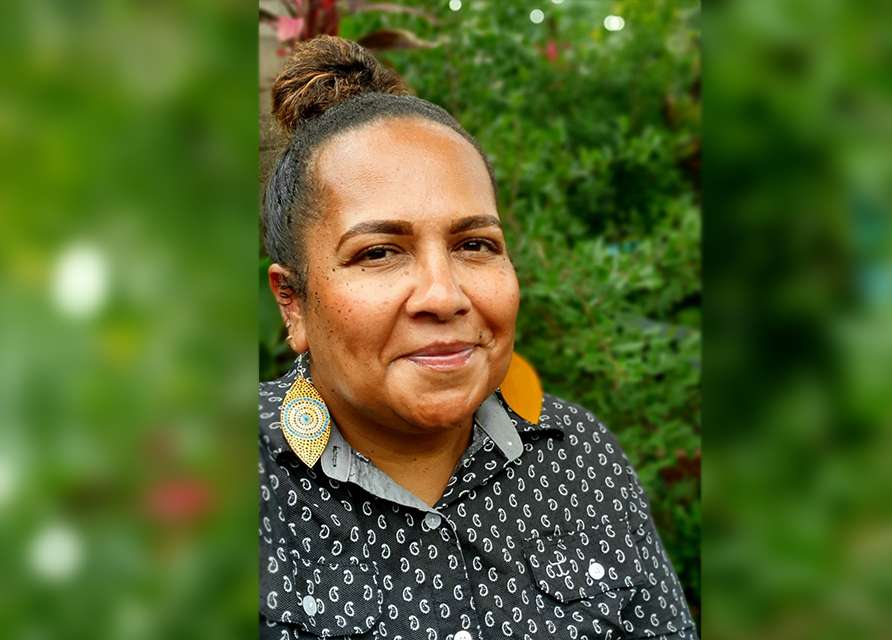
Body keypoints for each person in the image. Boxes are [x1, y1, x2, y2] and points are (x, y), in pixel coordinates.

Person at [259, 35, 697, 640]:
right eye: (380, 252)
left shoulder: (581, 462)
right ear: (294, 304)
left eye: (474, 245)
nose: (444, 295)